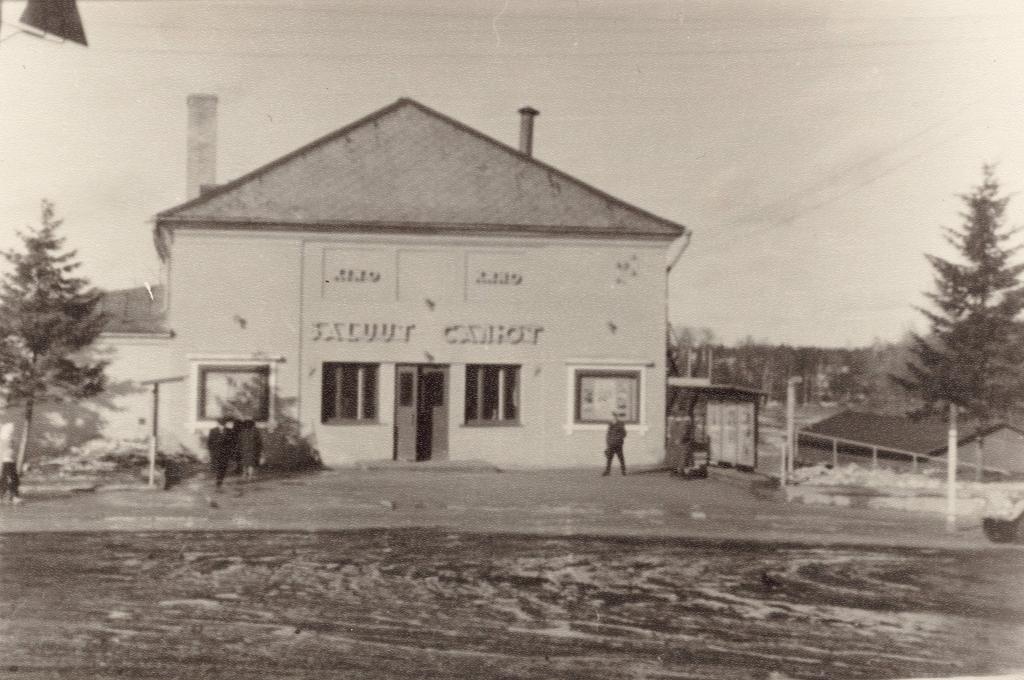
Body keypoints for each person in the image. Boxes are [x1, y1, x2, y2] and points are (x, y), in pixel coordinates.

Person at [206, 417, 236, 491]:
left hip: (225, 453)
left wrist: (230, 452)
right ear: (218, 423)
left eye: (224, 424)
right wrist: (211, 452)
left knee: (223, 468)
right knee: (217, 468)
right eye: (221, 424)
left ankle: (219, 482)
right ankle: (218, 482)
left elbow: (232, 443)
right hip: (216, 453)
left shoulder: (229, 431)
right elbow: (209, 442)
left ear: (225, 423)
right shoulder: (213, 430)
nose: (223, 425)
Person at [0, 422, 21, 504]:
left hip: (9, 461)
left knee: (10, 478)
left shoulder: (7, 439)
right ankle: (12, 496)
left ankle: (7, 495)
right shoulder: (5, 439)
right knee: (11, 478)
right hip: (7, 461)